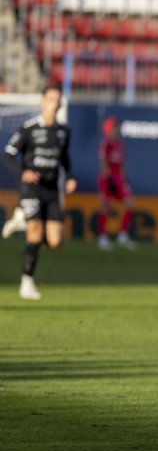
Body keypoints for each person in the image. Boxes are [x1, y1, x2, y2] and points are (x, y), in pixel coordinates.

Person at [3, 85, 77, 300]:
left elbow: (64, 159)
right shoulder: (29, 128)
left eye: (58, 100)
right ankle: (26, 284)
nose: (55, 104)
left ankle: (23, 218)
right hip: (32, 188)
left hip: (52, 190)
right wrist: (23, 173)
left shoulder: (64, 131)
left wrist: (69, 177)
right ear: (42, 102)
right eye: (51, 100)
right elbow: (8, 154)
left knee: (55, 241)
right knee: (35, 235)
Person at [96, 115, 136, 250]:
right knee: (105, 207)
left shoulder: (120, 146)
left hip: (119, 180)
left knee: (129, 203)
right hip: (107, 179)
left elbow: (121, 165)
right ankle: (102, 237)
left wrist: (125, 180)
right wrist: (108, 180)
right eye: (114, 128)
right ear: (108, 130)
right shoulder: (105, 144)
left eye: (118, 128)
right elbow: (103, 163)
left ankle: (123, 235)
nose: (117, 131)